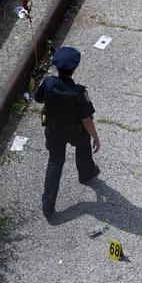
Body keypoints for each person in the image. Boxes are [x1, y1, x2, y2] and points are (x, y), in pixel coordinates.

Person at [34, 47, 101, 219]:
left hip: (54, 130)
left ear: (56, 67)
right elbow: (87, 119)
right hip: (75, 131)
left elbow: (38, 98)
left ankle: (48, 206)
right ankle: (86, 173)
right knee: (83, 147)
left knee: (55, 162)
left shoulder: (48, 83)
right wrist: (96, 137)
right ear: (74, 69)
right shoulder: (78, 93)